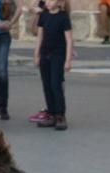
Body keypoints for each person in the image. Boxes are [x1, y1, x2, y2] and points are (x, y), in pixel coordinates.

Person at [33, 0, 73, 130]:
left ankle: (60, 115)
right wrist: (36, 55)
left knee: (56, 84)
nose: (48, 2)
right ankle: (51, 114)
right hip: (45, 54)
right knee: (47, 84)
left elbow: (69, 40)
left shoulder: (63, 17)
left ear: (59, 2)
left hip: (58, 55)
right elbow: (39, 36)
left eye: (51, 0)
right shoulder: (44, 15)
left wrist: (68, 60)